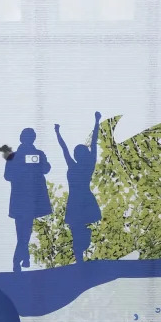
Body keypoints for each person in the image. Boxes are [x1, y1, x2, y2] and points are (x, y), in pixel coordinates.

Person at [54, 112, 102, 264]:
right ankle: (79, 259)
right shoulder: (73, 165)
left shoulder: (88, 165)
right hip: (75, 200)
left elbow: (94, 142)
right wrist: (57, 133)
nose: (75, 154)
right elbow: (64, 148)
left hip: (83, 200)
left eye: (78, 152)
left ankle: (83, 246)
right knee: (76, 230)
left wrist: (97, 121)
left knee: (77, 229)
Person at [3, 128, 53, 272]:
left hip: (31, 198)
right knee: (23, 231)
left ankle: (20, 259)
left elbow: (46, 169)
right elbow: (7, 175)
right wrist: (23, 169)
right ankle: (22, 258)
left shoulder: (38, 154)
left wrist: (37, 164)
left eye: (30, 137)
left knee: (24, 231)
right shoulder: (14, 156)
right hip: (21, 198)